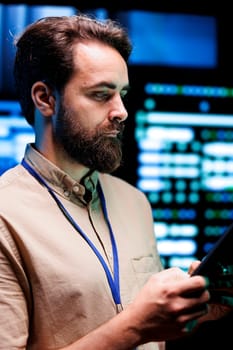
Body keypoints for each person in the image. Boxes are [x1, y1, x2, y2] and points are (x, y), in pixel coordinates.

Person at [0, 13, 232, 350]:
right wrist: (136, 325)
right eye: (101, 94)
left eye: (122, 93)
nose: (121, 111)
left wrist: (191, 311)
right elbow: (135, 326)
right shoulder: (5, 215)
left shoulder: (134, 201)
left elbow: (148, 334)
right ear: (45, 98)